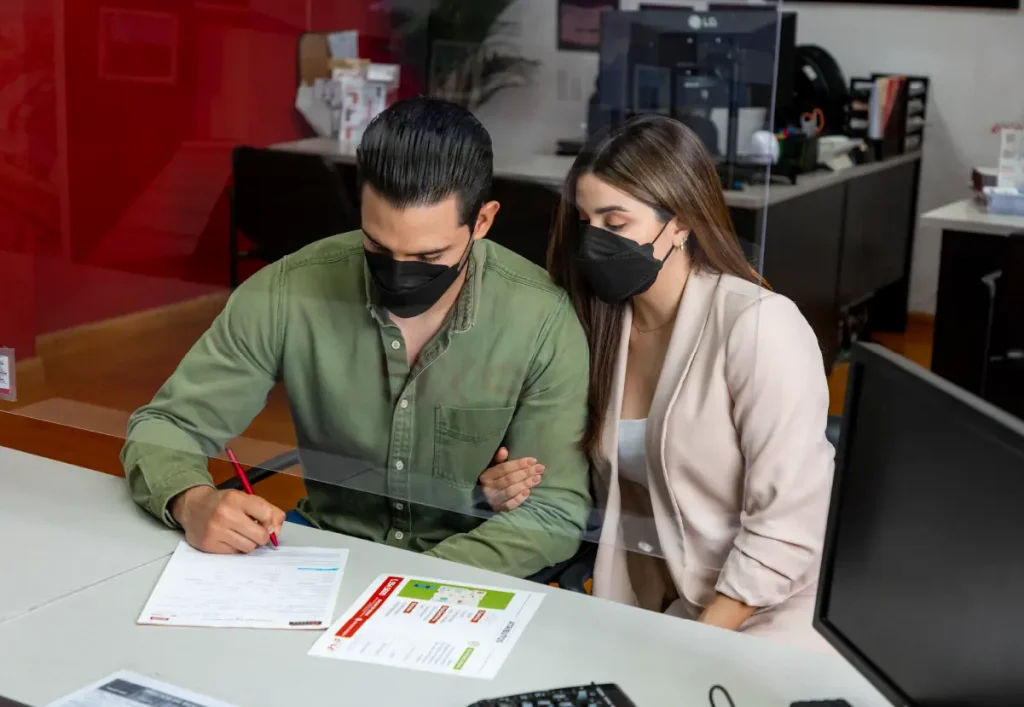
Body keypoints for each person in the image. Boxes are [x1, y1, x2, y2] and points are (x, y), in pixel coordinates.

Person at [122, 97, 592, 579]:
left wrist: (402, 583)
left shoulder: (541, 319)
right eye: (377, 245)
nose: (400, 274)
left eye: (429, 257)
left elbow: (553, 512)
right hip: (328, 549)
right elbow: (169, 424)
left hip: (468, 571)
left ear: (483, 222)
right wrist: (192, 501)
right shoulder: (289, 290)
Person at [479, 115, 834, 649]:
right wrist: (507, 484)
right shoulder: (597, 325)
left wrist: (697, 643)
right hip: (658, 612)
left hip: (765, 616)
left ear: (681, 223)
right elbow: (571, 477)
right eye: (585, 221)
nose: (594, 241)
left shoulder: (759, 326)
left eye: (616, 222)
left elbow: (788, 526)